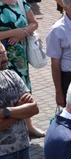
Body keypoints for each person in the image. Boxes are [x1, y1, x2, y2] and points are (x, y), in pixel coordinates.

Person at [0, 0, 45, 138]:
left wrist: (24, 31)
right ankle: (7, 125)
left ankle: (28, 125)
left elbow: (34, 23)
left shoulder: (20, 2)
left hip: (20, 58)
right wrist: (14, 32)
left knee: (23, 88)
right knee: (5, 92)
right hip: (3, 58)